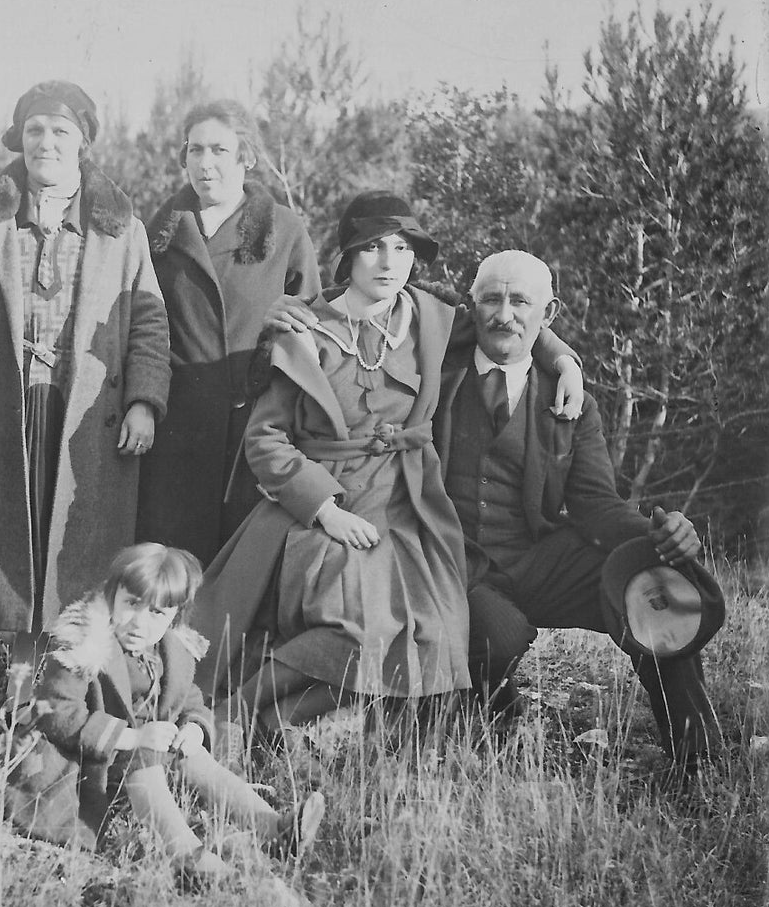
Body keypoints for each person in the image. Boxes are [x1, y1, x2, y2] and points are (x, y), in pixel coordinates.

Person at [192, 192, 584, 753]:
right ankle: (234, 711)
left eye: (401, 248)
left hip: (409, 506)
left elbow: (513, 320)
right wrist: (324, 509)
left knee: (435, 634)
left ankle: (270, 727)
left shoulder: (432, 317)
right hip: (325, 511)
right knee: (358, 626)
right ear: (348, 255)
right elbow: (264, 438)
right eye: (372, 247)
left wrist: (564, 359)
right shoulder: (306, 330)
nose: (387, 261)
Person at [435, 249, 722, 767]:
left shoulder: (573, 403)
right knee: (497, 638)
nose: (504, 314)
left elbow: (594, 505)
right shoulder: (434, 367)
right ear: (470, 306)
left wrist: (662, 538)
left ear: (548, 315)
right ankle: (494, 715)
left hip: (537, 559)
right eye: (491, 299)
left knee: (655, 583)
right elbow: (391, 301)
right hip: (453, 562)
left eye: (521, 301)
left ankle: (696, 759)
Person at [0, 80, 171, 668]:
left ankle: (70, 700)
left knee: (76, 560)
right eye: (34, 131)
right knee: (3, 562)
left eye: (60, 132)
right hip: (4, 414)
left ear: (83, 143)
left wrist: (144, 402)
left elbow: (148, 320)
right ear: (19, 140)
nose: (45, 143)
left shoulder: (120, 230)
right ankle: (3, 701)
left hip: (86, 424)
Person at [4, 543, 326, 877]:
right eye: (131, 604)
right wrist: (131, 737)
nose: (140, 623)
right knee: (143, 760)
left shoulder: (169, 652)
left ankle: (275, 830)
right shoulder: (87, 644)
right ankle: (186, 856)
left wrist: (194, 729)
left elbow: (190, 700)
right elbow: (55, 711)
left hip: (154, 752)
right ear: (112, 595)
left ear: (175, 615)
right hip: (94, 761)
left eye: (157, 613)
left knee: (197, 758)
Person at [137, 100, 322, 567]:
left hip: (255, 430)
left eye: (220, 149)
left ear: (247, 157)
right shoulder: (157, 234)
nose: (206, 163)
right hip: (178, 431)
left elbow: (312, 328)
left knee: (247, 567)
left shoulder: (284, 229)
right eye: (195, 150)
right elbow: (141, 328)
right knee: (174, 567)